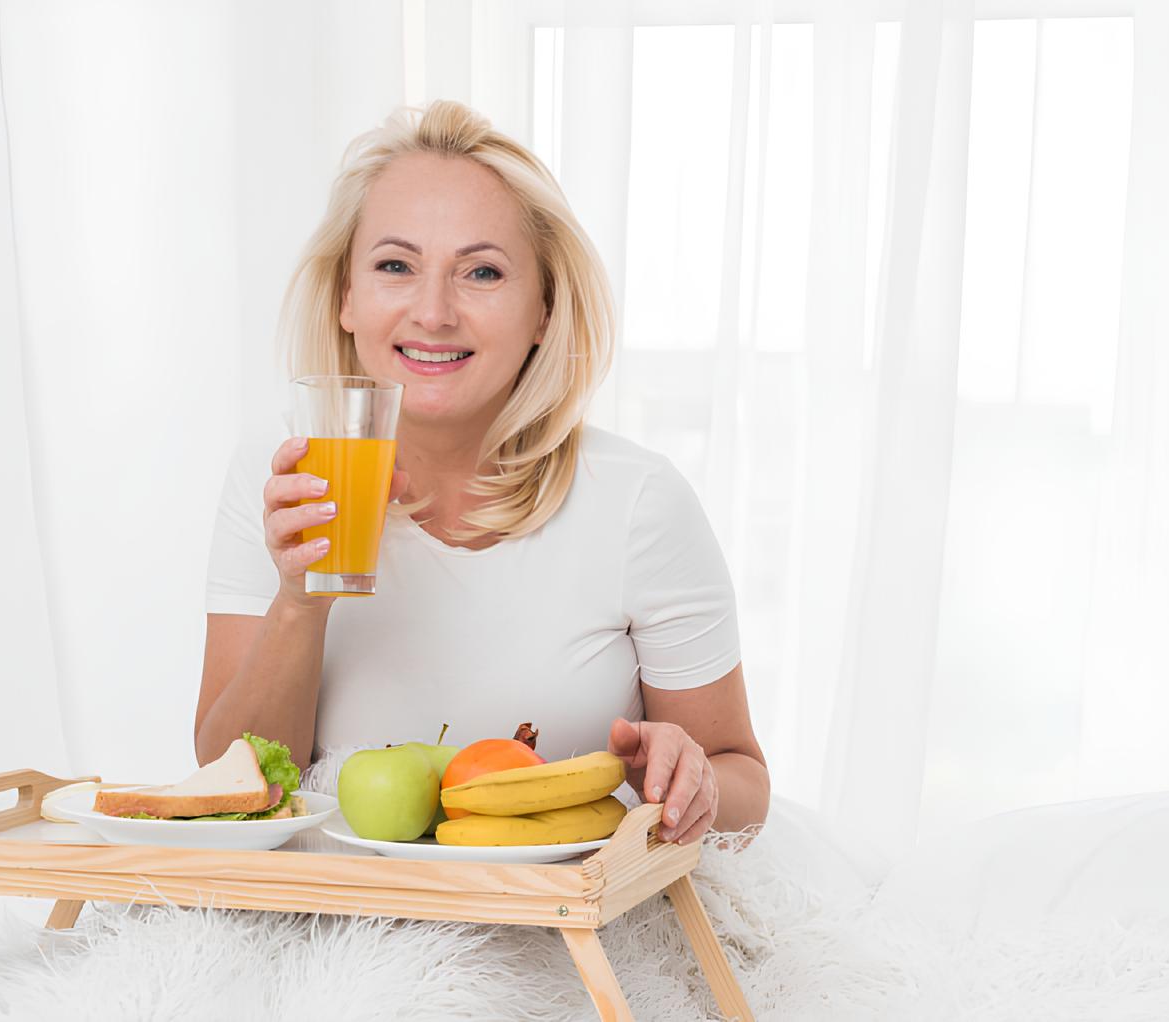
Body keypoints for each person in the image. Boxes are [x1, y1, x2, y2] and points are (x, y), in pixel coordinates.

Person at [194, 101, 769, 846]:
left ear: (543, 310)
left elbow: (741, 774)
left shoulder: (637, 503)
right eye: (395, 266)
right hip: (334, 926)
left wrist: (692, 777)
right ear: (346, 296)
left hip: (563, 928)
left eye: (483, 272)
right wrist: (298, 605)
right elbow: (231, 782)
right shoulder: (287, 477)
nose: (433, 312)